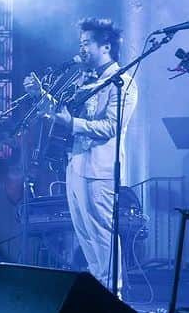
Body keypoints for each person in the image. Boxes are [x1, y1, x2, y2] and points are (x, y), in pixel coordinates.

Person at [23, 18, 139, 292]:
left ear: (106, 46)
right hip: (76, 164)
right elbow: (64, 114)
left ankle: (113, 293)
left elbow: (112, 126)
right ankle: (98, 289)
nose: (82, 49)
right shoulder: (86, 80)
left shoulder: (123, 82)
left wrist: (71, 123)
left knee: (101, 232)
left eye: (87, 43)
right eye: (81, 43)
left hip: (100, 168)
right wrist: (39, 95)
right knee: (85, 233)